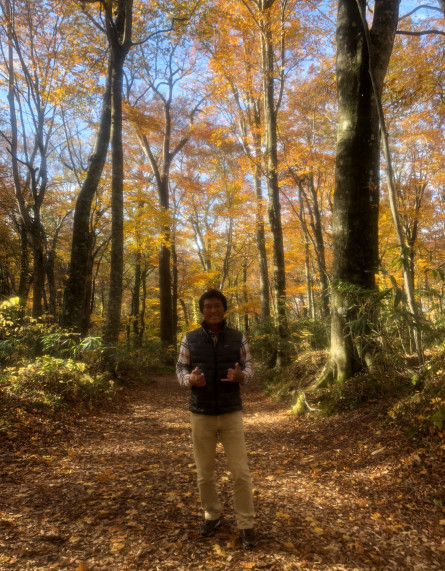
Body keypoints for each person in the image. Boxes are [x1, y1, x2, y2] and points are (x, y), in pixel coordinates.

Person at [176, 289, 257, 548]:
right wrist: (191, 380)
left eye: (217, 306)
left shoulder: (238, 337)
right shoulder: (189, 339)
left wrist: (242, 377)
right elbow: (180, 369)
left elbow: (249, 366)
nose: (213, 310)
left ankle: (246, 523)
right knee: (204, 474)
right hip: (201, 413)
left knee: (241, 473)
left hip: (231, 412)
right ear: (202, 310)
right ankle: (212, 515)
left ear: (224, 309)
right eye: (208, 306)